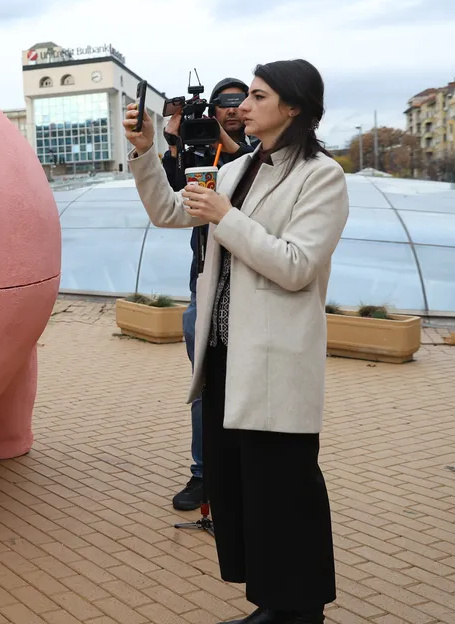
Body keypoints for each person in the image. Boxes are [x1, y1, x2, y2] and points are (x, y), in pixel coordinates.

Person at [123, 59, 349, 624]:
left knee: (286, 488)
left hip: (274, 358)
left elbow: (296, 266)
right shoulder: (236, 170)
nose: (241, 107)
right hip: (225, 355)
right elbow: (169, 210)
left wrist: (226, 218)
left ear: (292, 107)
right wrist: (147, 153)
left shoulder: (321, 176)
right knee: (244, 486)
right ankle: (275, 603)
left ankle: (299, 609)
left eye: (256, 96)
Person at [164, 78, 257, 512]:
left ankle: (245, 474)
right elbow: (170, 199)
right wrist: (172, 144)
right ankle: (203, 475)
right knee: (204, 386)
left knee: (250, 385)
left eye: (243, 102)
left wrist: (226, 144)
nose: (234, 110)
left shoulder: (264, 153)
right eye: (224, 104)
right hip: (204, 283)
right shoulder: (198, 152)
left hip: (252, 285)